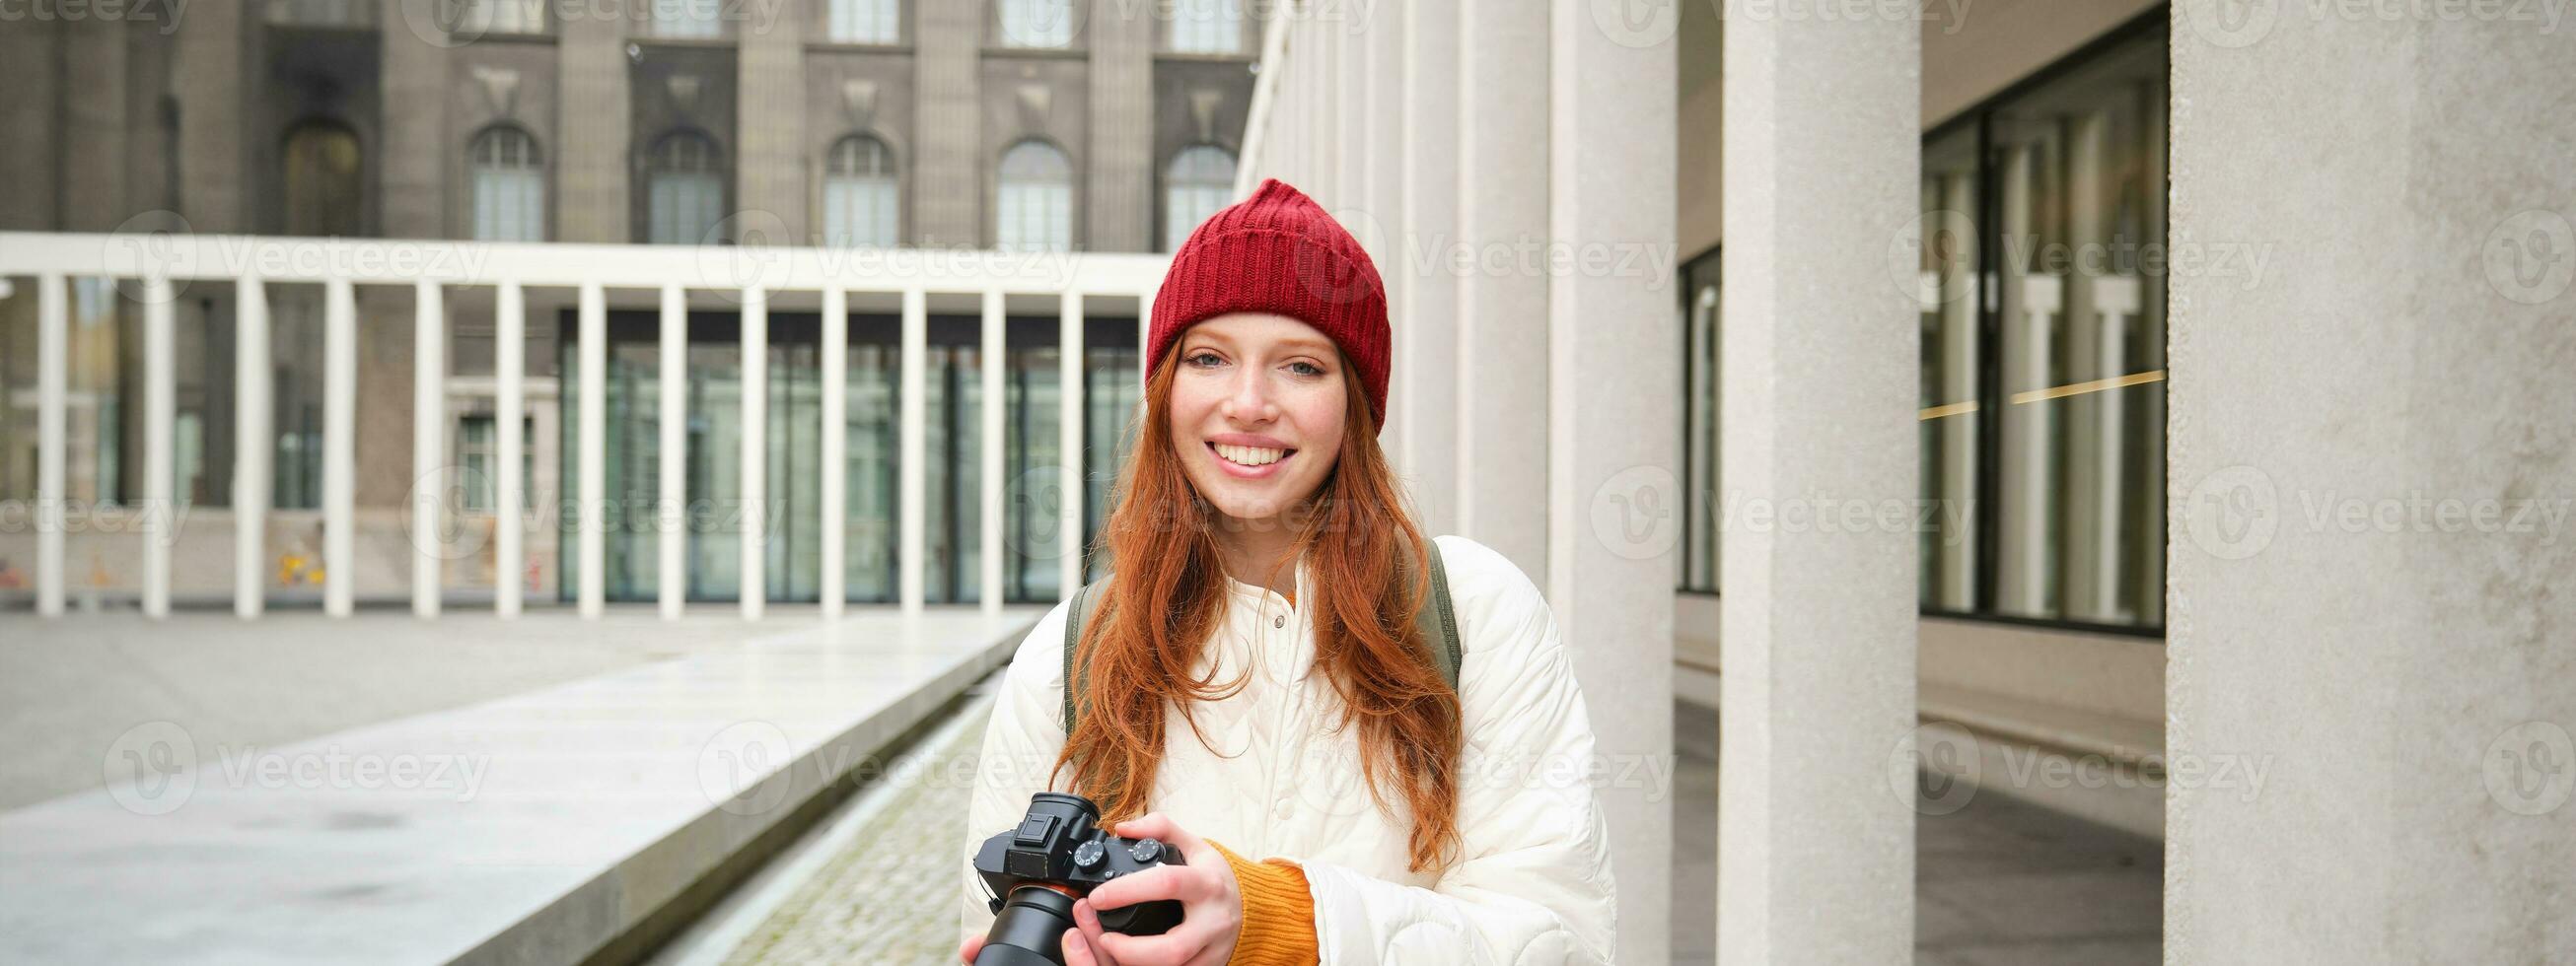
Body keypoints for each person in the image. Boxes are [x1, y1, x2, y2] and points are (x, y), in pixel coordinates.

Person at [958, 178, 1615, 965]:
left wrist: (1285, 923)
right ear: (1166, 391)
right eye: (1209, 358)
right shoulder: (1070, 652)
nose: (1248, 402)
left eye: (1300, 367)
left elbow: (1556, 936)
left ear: (1355, 405)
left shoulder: (1475, 613)